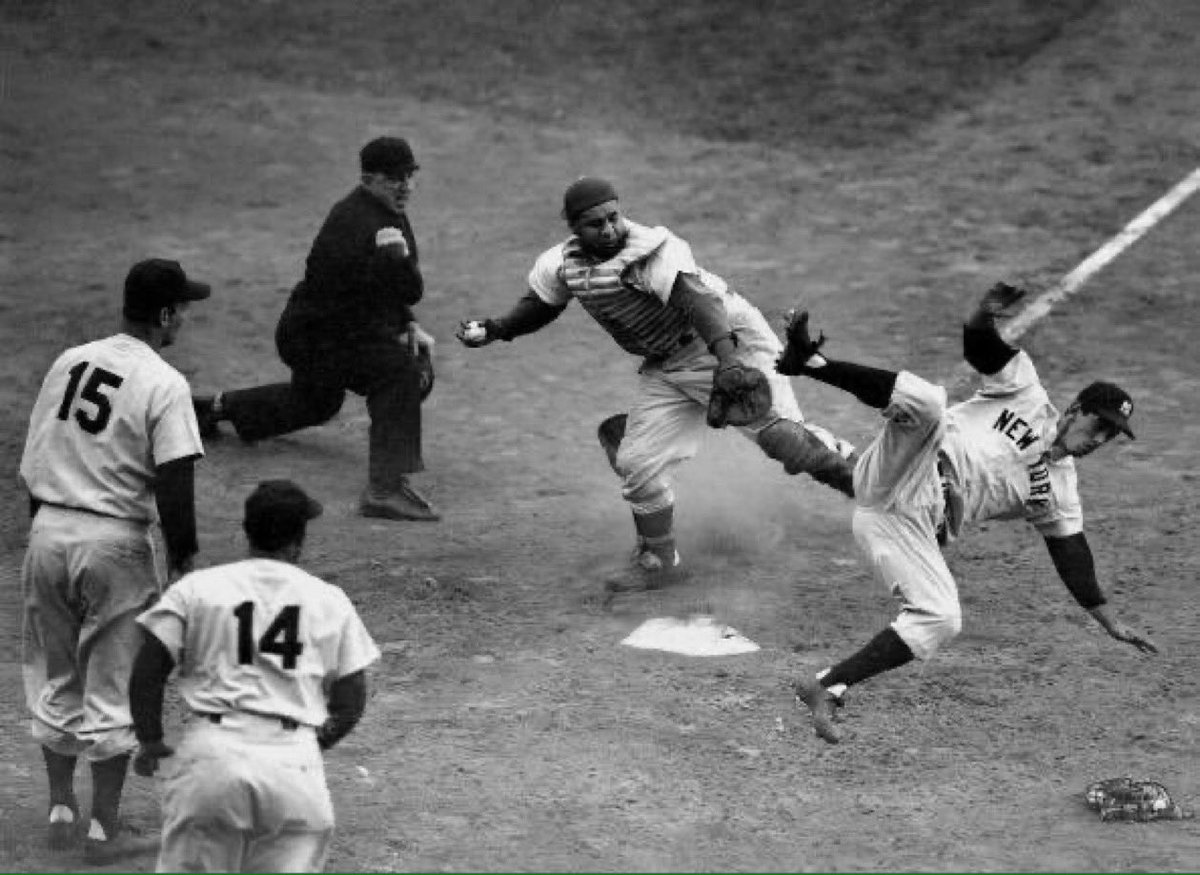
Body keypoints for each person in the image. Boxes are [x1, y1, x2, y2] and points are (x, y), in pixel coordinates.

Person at [779, 282, 1158, 745]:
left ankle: (825, 686)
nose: (1100, 438)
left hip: (900, 523)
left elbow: (1071, 553)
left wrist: (1109, 620)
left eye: (1111, 435)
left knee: (942, 618)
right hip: (912, 462)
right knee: (928, 404)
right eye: (1099, 424)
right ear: (1076, 409)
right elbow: (983, 350)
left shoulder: (1062, 492)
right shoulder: (1027, 395)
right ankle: (812, 364)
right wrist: (982, 316)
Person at [457, 176, 856, 591]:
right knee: (637, 464)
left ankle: (890, 490)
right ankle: (658, 560)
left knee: (786, 442)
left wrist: (729, 362)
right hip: (668, 363)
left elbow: (699, 302)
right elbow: (541, 304)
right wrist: (497, 328)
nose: (609, 229)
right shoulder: (560, 264)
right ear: (573, 226)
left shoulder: (651, 251)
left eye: (613, 217)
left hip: (725, 340)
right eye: (596, 224)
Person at [18, 258, 210, 864]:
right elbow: (176, 479)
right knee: (114, 683)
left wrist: (48, 535)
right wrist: (184, 563)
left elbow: (40, 450)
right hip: (115, 544)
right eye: (181, 308)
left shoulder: (69, 360)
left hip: (48, 528)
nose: (184, 318)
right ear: (163, 314)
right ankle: (103, 828)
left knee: (56, 672)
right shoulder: (164, 382)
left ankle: (58, 805)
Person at [129, 479, 381, 873]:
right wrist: (306, 744)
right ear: (298, 542)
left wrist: (150, 739)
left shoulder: (197, 588)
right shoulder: (329, 600)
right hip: (293, 768)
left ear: (247, 532)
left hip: (212, 757)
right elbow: (350, 700)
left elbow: (148, 669)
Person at [193, 135, 439, 522]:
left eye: (410, 176)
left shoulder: (387, 211)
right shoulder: (351, 222)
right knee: (398, 371)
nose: (405, 186)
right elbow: (367, 298)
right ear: (369, 179)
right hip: (315, 336)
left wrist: (408, 324)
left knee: (318, 401)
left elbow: (392, 292)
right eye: (395, 178)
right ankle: (384, 489)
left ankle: (213, 409)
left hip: (326, 332)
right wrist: (395, 317)